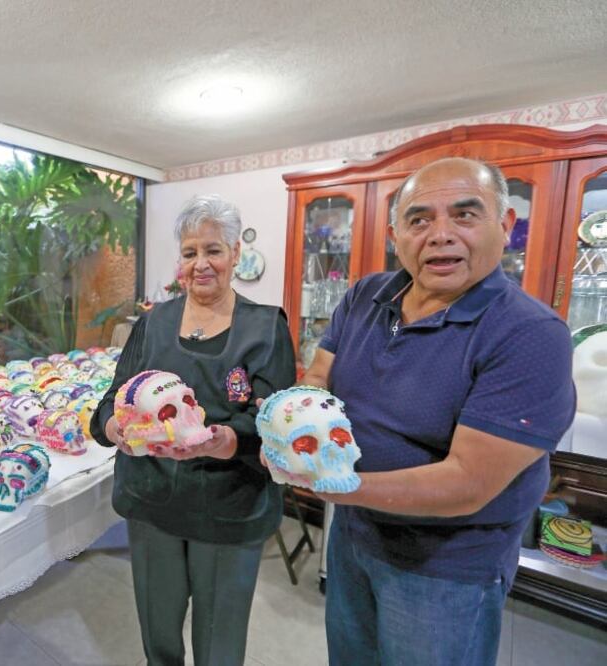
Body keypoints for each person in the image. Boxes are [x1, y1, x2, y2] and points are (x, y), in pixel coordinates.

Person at [304, 158, 575, 665]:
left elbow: (467, 484)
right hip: (354, 536)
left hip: (445, 567)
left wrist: (333, 485)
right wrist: (291, 421)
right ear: (395, 233)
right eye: (419, 218)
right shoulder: (367, 295)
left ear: (506, 225)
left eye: (465, 215)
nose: (440, 235)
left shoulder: (529, 334)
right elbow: (318, 377)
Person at [91, 194, 295, 666]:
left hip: (228, 507)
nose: (201, 264)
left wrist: (228, 440)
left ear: (235, 255)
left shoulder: (265, 328)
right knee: (158, 633)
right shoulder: (152, 325)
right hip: (151, 500)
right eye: (189, 253)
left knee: (218, 641)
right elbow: (112, 399)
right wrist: (112, 426)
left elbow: (274, 421)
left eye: (213, 250)